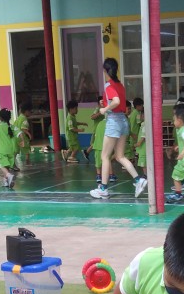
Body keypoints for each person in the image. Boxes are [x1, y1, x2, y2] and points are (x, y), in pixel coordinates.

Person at [89, 58, 148, 200]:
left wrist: (104, 109)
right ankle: (138, 180)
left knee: (105, 156)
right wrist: (107, 104)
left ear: (105, 70)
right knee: (120, 156)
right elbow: (117, 101)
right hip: (123, 121)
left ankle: (103, 189)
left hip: (114, 121)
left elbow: (116, 101)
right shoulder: (120, 85)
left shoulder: (109, 85)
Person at [0, 108, 18, 190]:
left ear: (0, 118)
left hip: (2, 150)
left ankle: (8, 175)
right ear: (9, 117)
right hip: (11, 150)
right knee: (6, 165)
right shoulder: (13, 127)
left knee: (1, 165)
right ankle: (6, 181)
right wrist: (22, 141)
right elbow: (19, 133)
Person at [62, 99, 85, 163]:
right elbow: (71, 128)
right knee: (76, 147)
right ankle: (71, 157)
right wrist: (80, 130)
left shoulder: (72, 116)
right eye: (76, 108)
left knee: (73, 147)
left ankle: (66, 152)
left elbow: (74, 123)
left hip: (73, 136)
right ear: (71, 109)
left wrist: (82, 123)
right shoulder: (70, 118)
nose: (77, 110)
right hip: (71, 136)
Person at [14, 101, 32, 168]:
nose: (30, 113)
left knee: (16, 150)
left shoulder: (19, 118)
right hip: (23, 137)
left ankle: (12, 162)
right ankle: (27, 161)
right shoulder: (24, 118)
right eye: (30, 112)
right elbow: (23, 128)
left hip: (16, 137)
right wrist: (29, 134)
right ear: (26, 111)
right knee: (27, 149)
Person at [126, 97, 144, 163]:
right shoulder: (137, 113)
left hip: (132, 132)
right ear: (137, 106)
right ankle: (130, 160)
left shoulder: (133, 112)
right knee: (133, 147)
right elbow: (139, 122)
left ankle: (132, 159)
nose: (142, 107)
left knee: (132, 147)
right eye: (141, 105)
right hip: (135, 133)